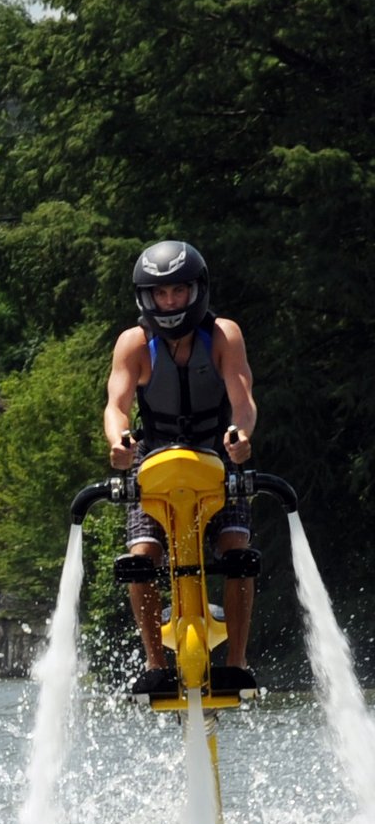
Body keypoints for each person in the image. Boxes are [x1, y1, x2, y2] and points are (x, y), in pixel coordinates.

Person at [104, 241, 258, 696]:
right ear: (146, 299)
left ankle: (237, 662)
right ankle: (155, 663)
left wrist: (242, 436)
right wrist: (118, 443)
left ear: (198, 291)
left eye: (178, 292)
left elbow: (242, 399)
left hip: (219, 457)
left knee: (237, 550)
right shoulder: (135, 344)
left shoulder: (224, 335)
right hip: (155, 465)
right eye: (160, 295)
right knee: (141, 558)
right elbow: (116, 405)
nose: (170, 303)